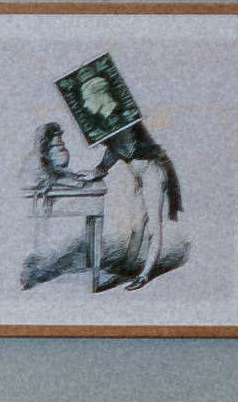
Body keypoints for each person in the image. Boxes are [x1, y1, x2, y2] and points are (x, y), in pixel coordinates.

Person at [20, 51, 191, 295]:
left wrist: (109, 135)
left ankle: (144, 275)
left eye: (88, 99)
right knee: (136, 226)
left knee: (153, 225)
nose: (87, 105)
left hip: (153, 171)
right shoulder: (110, 121)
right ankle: (130, 266)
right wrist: (98, 170)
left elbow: (129, 149)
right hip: (140, 175)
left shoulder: (121, 120)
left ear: (100, 97)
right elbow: (114, 154)